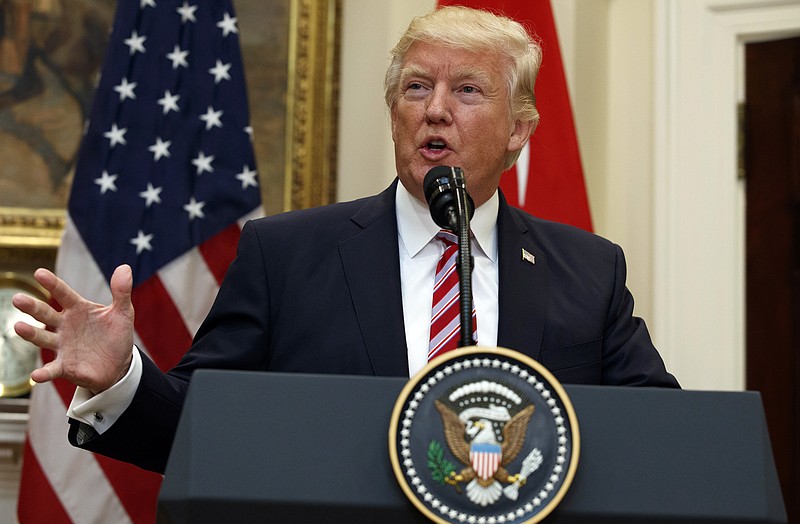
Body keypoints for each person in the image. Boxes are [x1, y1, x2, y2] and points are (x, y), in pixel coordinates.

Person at [12, 6, 679, 474]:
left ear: (518, 132)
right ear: (395, 112)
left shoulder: (587, 270)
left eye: (467, 90)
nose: (435, 109)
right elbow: (203, 425)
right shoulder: (287, 255)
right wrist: (124, 378)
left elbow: (662, 436)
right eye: (417, 87)